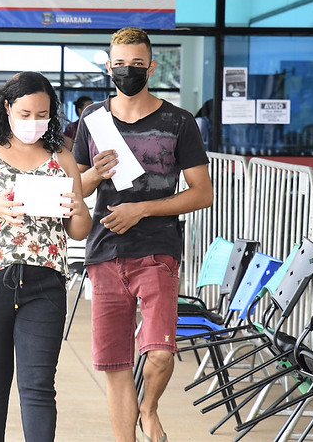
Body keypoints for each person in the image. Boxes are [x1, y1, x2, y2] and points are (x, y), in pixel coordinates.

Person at [72, 27, 213, 442]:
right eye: (120, 64)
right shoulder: (92, 120)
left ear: (151, 66)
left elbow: (202, 193)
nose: (127, 71)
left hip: (157, 251)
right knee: (115, 365)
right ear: (107, 64)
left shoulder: (178, 121)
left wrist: (142, 209)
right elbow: (77, 188)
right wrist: (95, 172)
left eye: (136, 64)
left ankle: (149, 408)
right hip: (104, 252)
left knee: (161, 354)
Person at [0, 72, 92, 442]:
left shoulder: (62, 157)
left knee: (39, 385)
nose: (33, 122)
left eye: (41, 114)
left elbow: (79, 230)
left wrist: (76, 208)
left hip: (45, 282)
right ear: (7, 108)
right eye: (24, 114)